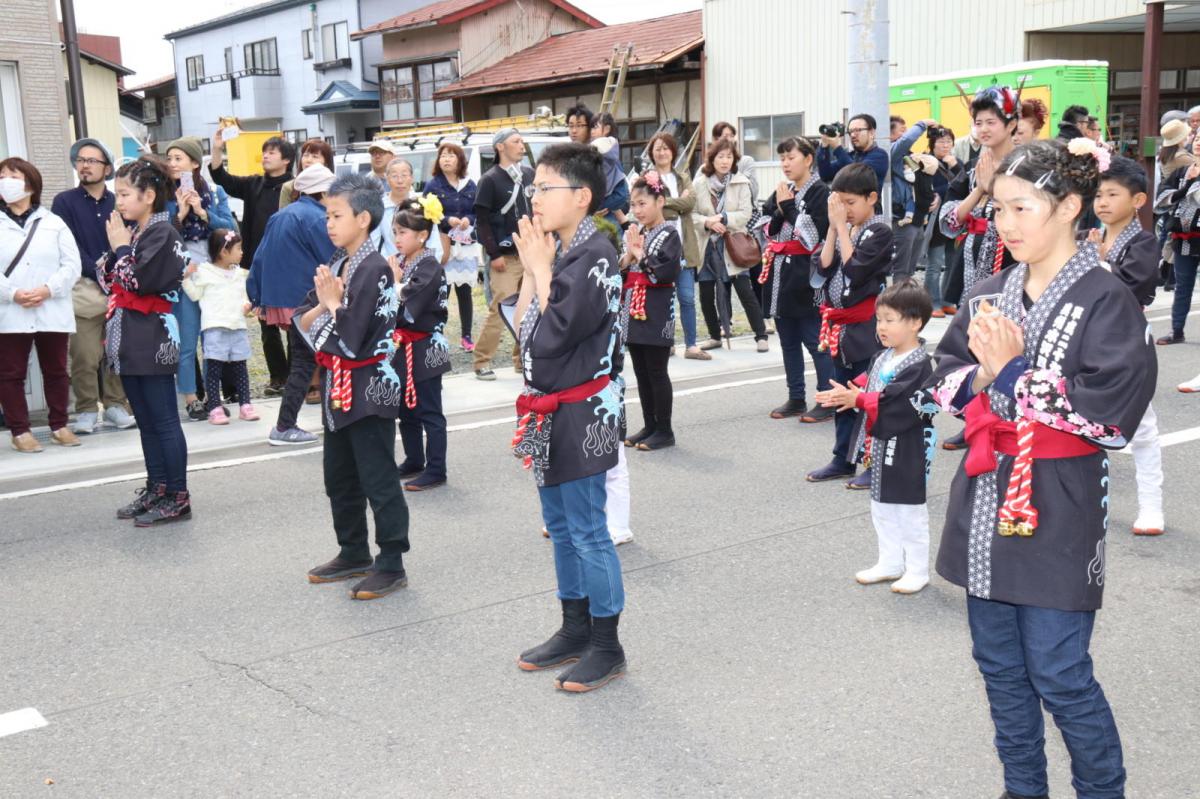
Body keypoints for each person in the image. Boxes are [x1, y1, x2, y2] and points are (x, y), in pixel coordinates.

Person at [925, 138, 1155, 799]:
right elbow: (940, 376)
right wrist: (994, 381)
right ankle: (1023, 787)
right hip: (986, 492)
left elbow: (1111, 415)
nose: (1007, 224)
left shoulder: (1107, 299)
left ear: (1069, 206)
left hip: (1059, 499)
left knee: (1058, 670)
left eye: (1022, 207)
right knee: (998, 665)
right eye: (998, 209)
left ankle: (1102, 791)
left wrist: (1015, 375)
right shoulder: (990, 292)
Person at [511, 142, 626, 693]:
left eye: (543, 187)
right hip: (550, 407)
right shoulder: (564, 252)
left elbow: (550, 338)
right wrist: (537, 270)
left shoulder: (596, 254)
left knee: (588, 530)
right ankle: (574, 627)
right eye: (533, 187)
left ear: (580, 197)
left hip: (583, 408)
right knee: (559, 527)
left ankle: (607, 644)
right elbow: (521, 332)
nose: (534, 197)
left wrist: (538, 269)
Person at [297, 173, 410, 601]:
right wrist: (326, 308)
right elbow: (304, 316)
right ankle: (353, 550)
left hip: (370, 385)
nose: (329, 222)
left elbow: (353, 335)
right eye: (327, 214)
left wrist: (329, 307)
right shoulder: (343, 263)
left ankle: (391, 561)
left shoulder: (375, 268)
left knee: (378, 476)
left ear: (363, 218)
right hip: (340, 384)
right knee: (339, 475)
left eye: (336, 214)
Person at [815, 279, 935, 594]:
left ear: (915, 323)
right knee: (881, 505)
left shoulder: (920, 365)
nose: (881, 327)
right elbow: (869, 380)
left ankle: (917, 569)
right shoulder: (884, 356)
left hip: (908, 446)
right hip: (881, 444)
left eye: (889, 320)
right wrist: (845, 392)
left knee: (908, 510)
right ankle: (890, 561)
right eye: (879, 319)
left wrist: (858, 400)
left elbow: (896, 400)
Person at [98, 157, 192, 526]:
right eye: (117, 194)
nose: (118, 201)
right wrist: (120, 255)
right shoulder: (139, 231)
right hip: (130, 332)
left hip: (152, 334)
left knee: (164, 419)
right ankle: (157, 487)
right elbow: (107, 277)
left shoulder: (163, 231)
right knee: (147, 421)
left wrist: (120, 252)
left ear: (149, 195)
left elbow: (135, 280)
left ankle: (178, 494)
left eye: (125, 194)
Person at [1087, 155, 1165, 536]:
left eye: (1112, 194)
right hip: (1087, 337)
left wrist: (1101, 263)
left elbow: (1135, 285)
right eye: (1099, 194)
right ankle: (1083, 499)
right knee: (1081, 418)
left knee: (1143, 424)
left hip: (1128, 339)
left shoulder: (1144, 241)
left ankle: (1152, 506)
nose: (1102, 202)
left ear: (1137, 201)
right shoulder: (1091, 236)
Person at [805, 163, 890, 486]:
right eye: (840, 204)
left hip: (866, 327)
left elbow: (855, 270)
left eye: (851, 203)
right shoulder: (844, 228)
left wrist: (841, 229)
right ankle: (842, 458)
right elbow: (822, 268)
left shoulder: (878, 230)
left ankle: (873, 461)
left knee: (868, 397)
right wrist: (832, 227)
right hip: (837, 329)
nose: (846, 211)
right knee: (841, 394)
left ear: (871, 198)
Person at [51, 138, 135, 434]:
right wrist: (100, 272)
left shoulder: (119, 201)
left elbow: (129, 239)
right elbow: (68, 245)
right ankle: (86, 408)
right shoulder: (64, 202)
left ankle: (115, 404)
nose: (84, 165)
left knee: (117, 352)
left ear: (107, 168)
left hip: (119, 289)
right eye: (80, 160)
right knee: (84, 355)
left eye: (91, 161)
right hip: (84, 287)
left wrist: (115, 273)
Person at [0, 157, 82, 453]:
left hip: (51, 308)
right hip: (11, 310)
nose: (5, 180)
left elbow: (72, 265)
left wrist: (48, 289)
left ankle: (60, 424)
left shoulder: (53, 222)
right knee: (10, 373)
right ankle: (19, 430)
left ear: (31, 183)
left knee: (57, 370)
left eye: (13, 175)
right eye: (2, 176)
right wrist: (12, 294)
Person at [251, 164, 336, 445]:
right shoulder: (318, 218)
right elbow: (333, 259)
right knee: (313, 360)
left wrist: (255, 293)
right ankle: (289, 425)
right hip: (309, 300)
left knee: (307, 359)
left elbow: (260, 257)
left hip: (282, 300)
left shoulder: (280, 215)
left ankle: (298, 423)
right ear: (323, 191)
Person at [210, 129, 295, 395]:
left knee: (293, 323)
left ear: (287, 160)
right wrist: (217, 149)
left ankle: (296, 377)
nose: (266, 156)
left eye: (272, 152)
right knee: (266, 323)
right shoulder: (254, 184)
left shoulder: (295, 187)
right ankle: (278, 377)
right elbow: (221, 177)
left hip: (288, 263)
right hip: (259, 263)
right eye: (265, 151)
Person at [758, 137, 833, 422]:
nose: (785, 164)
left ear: (808, 159)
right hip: (780, 272)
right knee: (788, 340)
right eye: (782, 158)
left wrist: (788, 209)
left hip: (806, 272)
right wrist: (781, 210)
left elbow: (813, 237)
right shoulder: (783, 190)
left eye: (791, 157)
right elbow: (762, 224)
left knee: (814, 340)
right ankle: (796, 397)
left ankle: (827, 398)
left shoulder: (821, 193)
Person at [164, 136, 236, 420]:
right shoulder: (163, 196)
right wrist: (179, 214)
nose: (172, 164)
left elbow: (229, 229)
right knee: (186, 339)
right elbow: (162, 236)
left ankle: (213, 397)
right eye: (169, 158)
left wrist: (202, 212)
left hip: (212, 277)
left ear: (195, 163)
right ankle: (192, 398)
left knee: (214, 341)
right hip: (183, 276)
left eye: (178, 158)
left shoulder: (214, 192)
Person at [389, 196, 452, 491]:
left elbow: (407, 305)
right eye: (395, 232)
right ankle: (414, 459)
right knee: (405, 409)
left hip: (425, 347)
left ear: (422, 235)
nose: (397, 238)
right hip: (405, 347)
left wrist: (396, 282)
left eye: (403, 233)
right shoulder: (407, 263)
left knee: (429, 409)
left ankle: (436, 468)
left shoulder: (429, 266)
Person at [620, 171, 681, 451]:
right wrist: (629, 256)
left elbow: (664, 272)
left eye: (643, 203)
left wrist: (640, 255)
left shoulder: (670, 233)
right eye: (634, 204)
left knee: (657, 370)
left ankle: (665, 429)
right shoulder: (638, 233)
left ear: (660, 201)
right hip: (633, 305)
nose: (637, 210)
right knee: (642, 371)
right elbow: (622, 270)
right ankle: (650, 424)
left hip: (657, 307)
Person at [693, 138, 768, 352]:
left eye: (729, 156)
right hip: (708, 244)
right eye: (720, 156)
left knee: (745, 290)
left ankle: (761, 335)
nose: (725, 161)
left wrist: (723, 218)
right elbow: (691, 214)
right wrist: (707, 222)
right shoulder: (700, 183)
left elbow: (746, 213)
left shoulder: (741, 182)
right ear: (712, 159)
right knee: (706, 294)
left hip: (733, 244)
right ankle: (714, 335)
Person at [472, 128, 532, 380]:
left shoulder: (529, 174)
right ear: (500, 147)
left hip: (529, 252)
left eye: (521, 141)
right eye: (515, 141)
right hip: (504, 256)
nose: (522, 145)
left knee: (530, 308)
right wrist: (493, 252)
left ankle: (522, 359)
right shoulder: (490, 179)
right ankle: (481, 360)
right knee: (500, 308)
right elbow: (482, 221)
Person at [183, 229, 258, 424]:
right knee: (214, 368)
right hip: (214, 327)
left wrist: (246, 305)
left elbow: (243, 295)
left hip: (238, 327)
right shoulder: (204, 272)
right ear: (224, 252)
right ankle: (215, 406)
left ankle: (245, 404)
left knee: (240, 367)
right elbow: (195, 295)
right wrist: (185, 279)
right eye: (238, 248)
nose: (242, 252)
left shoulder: (239, 274)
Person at [648, 132, 707, 360]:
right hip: (662, 247)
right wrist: (676, 203)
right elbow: (653, 208)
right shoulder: (649, 178)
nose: (662, 152)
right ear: (652, 152)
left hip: (685, 245)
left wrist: (667, 202)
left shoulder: (683, 176)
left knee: (687, 298)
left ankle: (691, 345)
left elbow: (691, 203)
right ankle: (667, 342)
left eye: (666, 148)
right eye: (657, 148)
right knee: (664, 298)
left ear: (673, 151)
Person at [424, 142, 480, 352]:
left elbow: (477, 211)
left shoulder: (469, 184)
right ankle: (437, 334)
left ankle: (466, 336)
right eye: (443, 155)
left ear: (460, 160)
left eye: (451, 155)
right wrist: (448, 220)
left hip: (465, 244)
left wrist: (467, 219)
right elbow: (427, 213)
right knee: (442, 292)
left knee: (465, 292)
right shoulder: (434, 185)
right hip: (443, 244)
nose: (446, 159)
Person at [1153, 133, 1200, 345]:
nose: (1198, 142)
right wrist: (1187, 184)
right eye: (1197, 137)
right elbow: (1162, 198)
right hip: (1185, 238)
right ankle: (1177, 330)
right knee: (1183, 286)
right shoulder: (1182, 171)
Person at [889, 118, 938, 278]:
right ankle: (897, 303)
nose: (906, 133)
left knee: (909, 271)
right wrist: (922, 124)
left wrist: (934, 196)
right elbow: (907, 140)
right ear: (889, 134)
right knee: (901, 270)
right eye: (902, 129)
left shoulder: (909, 157)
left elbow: (921, 182)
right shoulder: (893, 153)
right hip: (903, 220)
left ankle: (906, 301)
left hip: (918, 220)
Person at [372, 158, 445, 262]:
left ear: (412, 178)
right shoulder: (379, 207)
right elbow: (374, 243)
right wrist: (390, 265)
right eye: (394, 176)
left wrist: (428, 264)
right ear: (387, 179)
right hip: (391, 266)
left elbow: (434, 241)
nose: (400, 181)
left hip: (422, 266)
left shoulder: (423, 204)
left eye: (404, 175)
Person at [924, 125, 963, 317]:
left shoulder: (956, 162)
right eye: (941, 142)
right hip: (935, 220)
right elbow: (926, 187)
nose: (945, 145)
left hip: (954, 219)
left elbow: (967, 185)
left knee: (953, 262)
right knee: (935, 264)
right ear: (933, 143)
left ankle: (948, 300)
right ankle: (933, 303)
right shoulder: (926, 161)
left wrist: (954, 165)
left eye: (949, 141)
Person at [816, 113, 889, 191]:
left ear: (871, 133)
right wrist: (824, 147)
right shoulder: (850, 156)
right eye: (850, 131)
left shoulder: (879, 155)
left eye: (858, 130)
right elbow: (825, 175)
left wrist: (837, 148)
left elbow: (856, 175)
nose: (853, 135)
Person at [591, 111, 631, 228]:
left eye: (595, 127)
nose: (592, 131)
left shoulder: (601, 151)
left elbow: (622, 195)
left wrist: (594, 208)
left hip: (605, 212)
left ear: (607, 129)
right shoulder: (612, 151)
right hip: (609, 210)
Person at [278, 138, 334, 210]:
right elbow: (284, 216)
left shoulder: (335, 187)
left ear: (326, 163)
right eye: (305, 155)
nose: (308, 160)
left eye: (315, 156)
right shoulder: (289, 187)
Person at [710, 121, 759, 199]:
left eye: (732, 136)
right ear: (715, 140)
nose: (730, 139)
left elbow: (754, 192)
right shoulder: (706, 166)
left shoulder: (746, 161)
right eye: (726, 136)